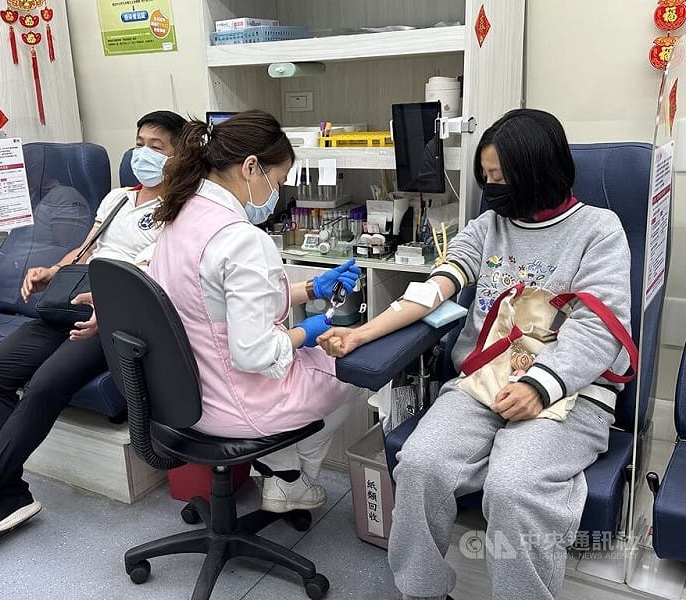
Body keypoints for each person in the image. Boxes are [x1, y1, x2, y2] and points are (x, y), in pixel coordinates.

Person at [319, 109, 632, 600]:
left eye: (499, 178)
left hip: (568, 393)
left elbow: (599, 329)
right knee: (420, 465)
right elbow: (433, 290)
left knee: (513, 488)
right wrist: (362, 334)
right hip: (484, 382)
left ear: (536, 172)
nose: (490, 190)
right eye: (486, 178)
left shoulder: (598, 230)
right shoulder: (489, 227)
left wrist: (539, 386)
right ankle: (422, 591)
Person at [0, 110, 187, 559]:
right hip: (68, 304)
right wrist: (53, 271)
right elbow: (87, 250)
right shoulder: (117, 199)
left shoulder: (179, 211)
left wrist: (110, 310)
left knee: (43, 386)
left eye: (156, 147)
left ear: (180, 156)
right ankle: (9, 494)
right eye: (139, 143)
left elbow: (161, 275)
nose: (142, 154)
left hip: (116, 317)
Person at [148, 109, 364, 513]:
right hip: (234, 405)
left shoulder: (179, 216)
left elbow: (213, 306)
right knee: (353, 371)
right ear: (250, 167)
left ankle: (280, 472)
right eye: (278, 181)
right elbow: (253, 353)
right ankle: (292, 480)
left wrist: (310, 288)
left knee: (303, 363)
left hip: (184, 398)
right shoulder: (240, 239)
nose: (277, 193)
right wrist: (306, 333)